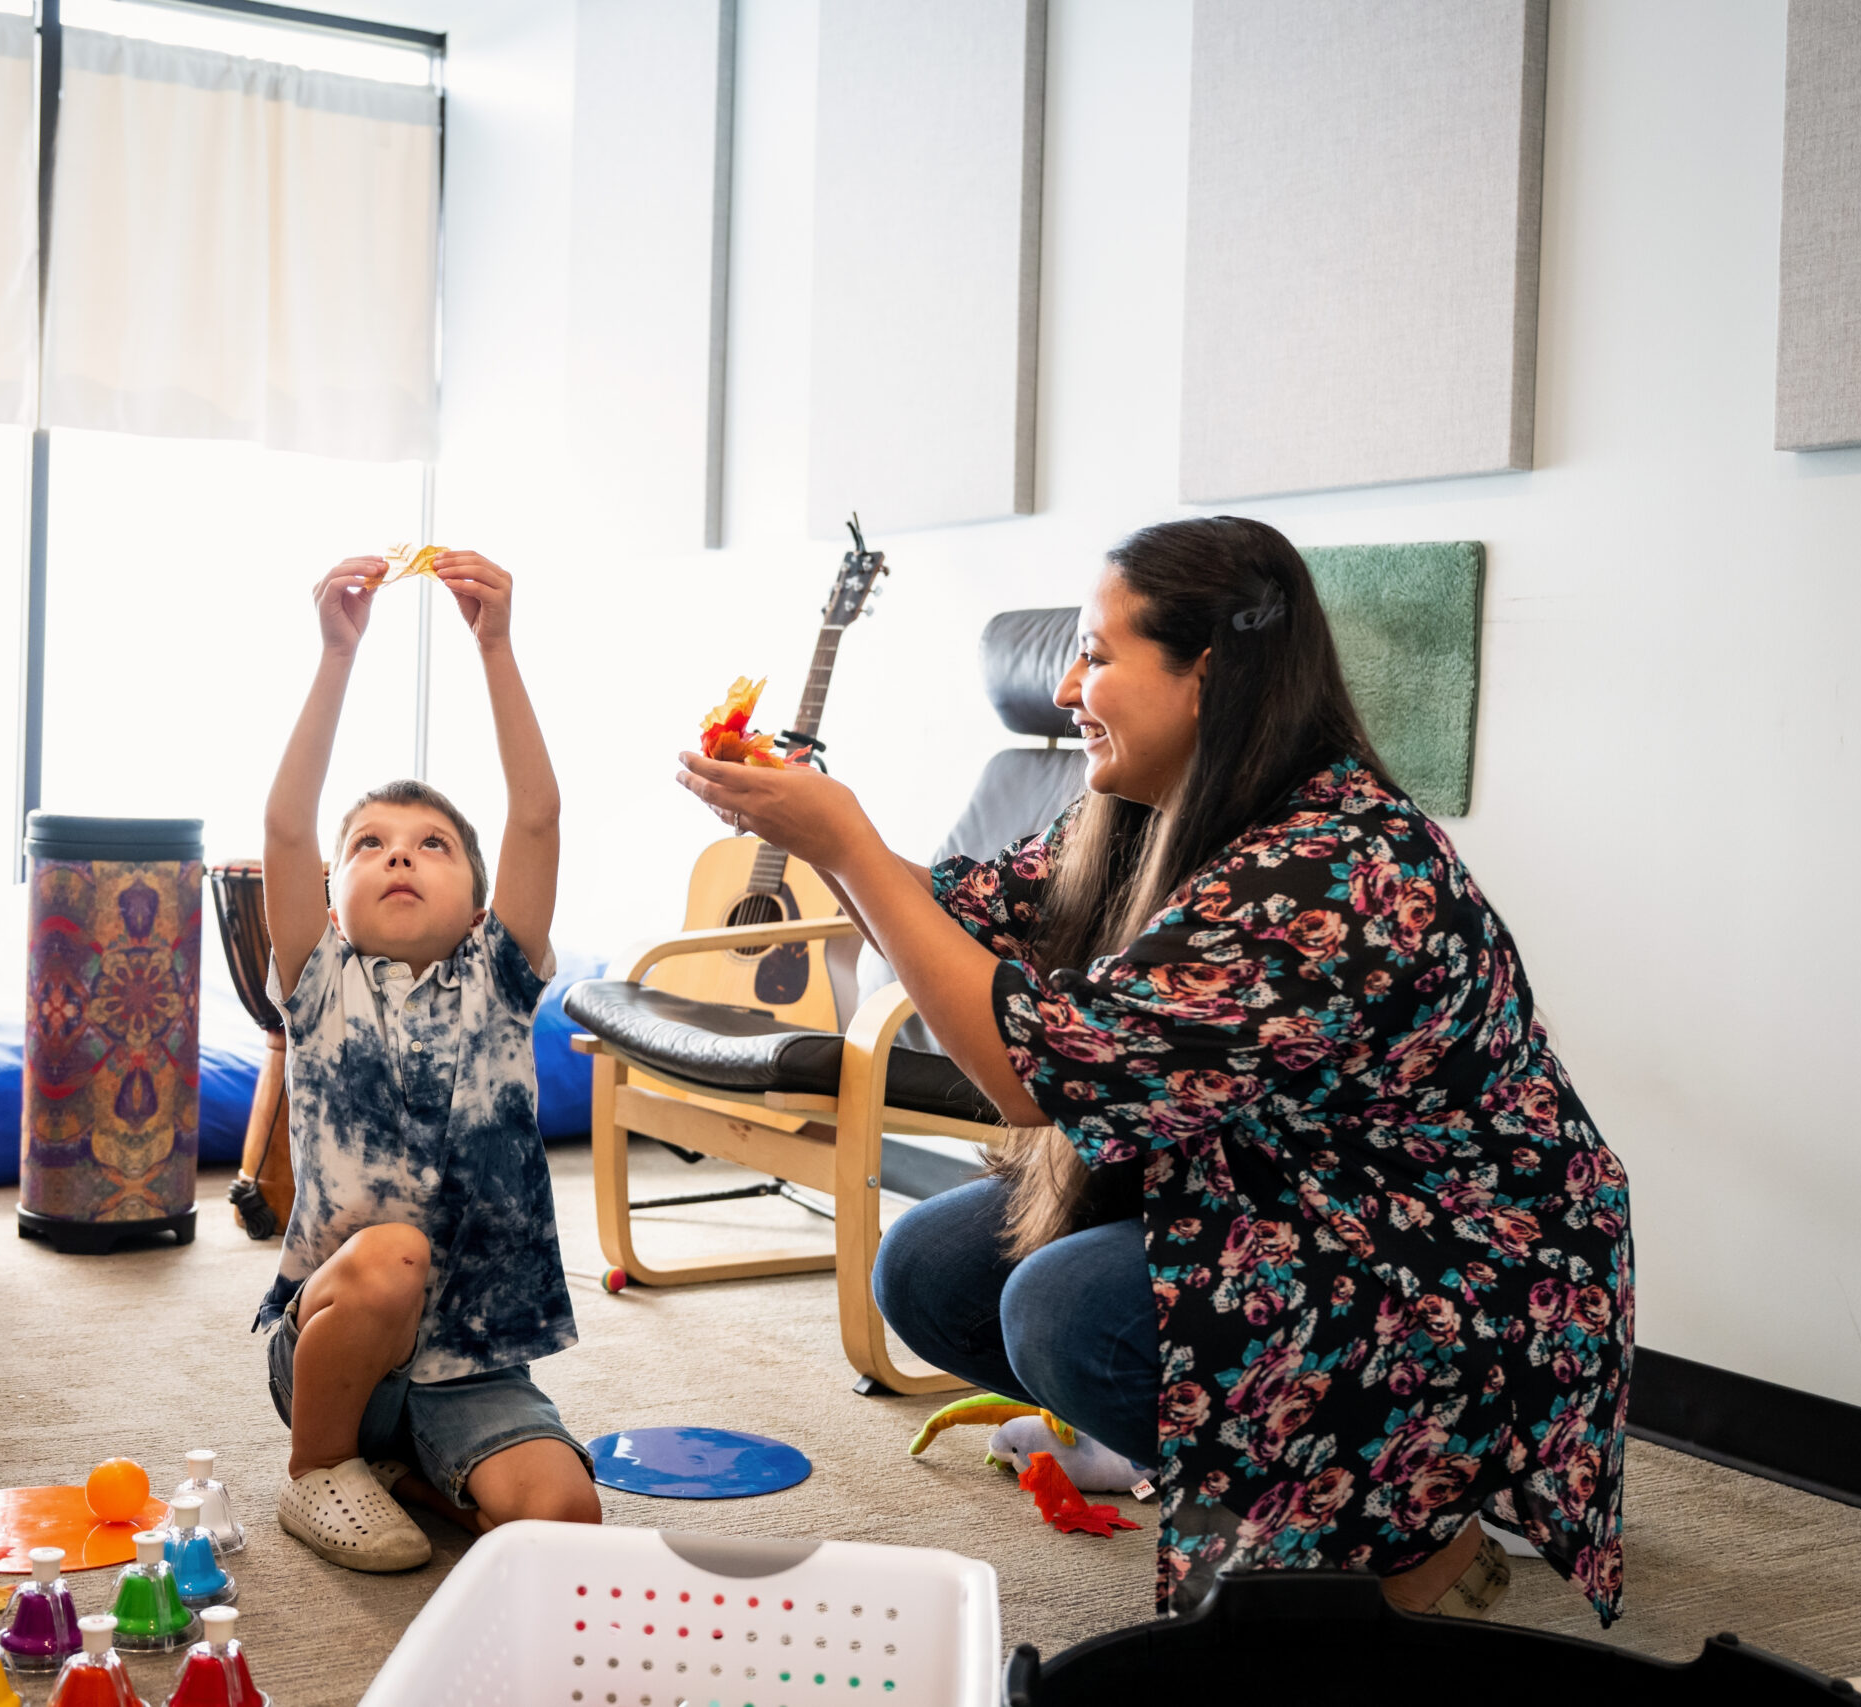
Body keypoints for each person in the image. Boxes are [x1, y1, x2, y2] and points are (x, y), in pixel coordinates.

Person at [677, 516, 1631, 1625]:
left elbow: (1035, 1077)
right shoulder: (1147, 811)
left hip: (1451, 1271)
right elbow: (956, 909)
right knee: (931, 1268)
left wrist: (840, 845)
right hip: (1280, 1202)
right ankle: (1292, 1489)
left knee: (1064, 1313)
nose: (1070, 684)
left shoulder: (1337, 866)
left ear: (1206, 676)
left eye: (1097, 652)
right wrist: (803, 829)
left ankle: (1420, 1541)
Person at [257, 549, 599, 1573]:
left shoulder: (501, 975)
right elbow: (282, 825)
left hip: (479, 1360)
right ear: (331, 900)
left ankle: (411, 1471)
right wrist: (334, 656)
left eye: (432, 844)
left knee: (564, 1524)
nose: (398, 854)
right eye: (369, 843)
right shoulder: (317, 979)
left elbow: (536, 815)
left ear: (485, 908)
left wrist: (496, 646)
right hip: (340, 1335)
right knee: (394, 1253)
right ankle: (320, 1470)